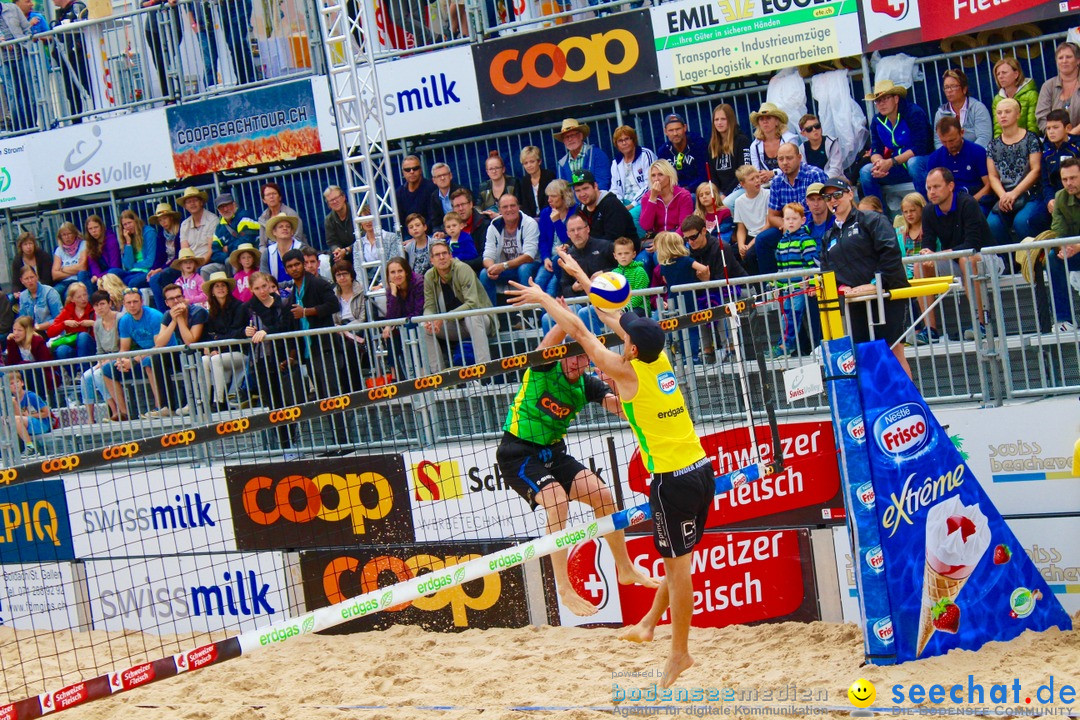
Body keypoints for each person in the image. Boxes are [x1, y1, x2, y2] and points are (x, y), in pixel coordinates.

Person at [507, 263, 713, 689]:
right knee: (679, 565)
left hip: (672, 481)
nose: (623, 336)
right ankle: (649, 624)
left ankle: (680, 653)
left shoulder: (625, 372)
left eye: (627, 340)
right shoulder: (660, 358)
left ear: (631, 349)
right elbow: (617, 315)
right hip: (701, 468)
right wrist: (587, 281)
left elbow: (582, 332)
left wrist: (545, 299)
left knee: (679, 572)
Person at [494, 324, 658, 616]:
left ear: (588, 360)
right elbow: (544, 347)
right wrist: (562, 321)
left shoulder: (588, 384)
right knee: (556, 501)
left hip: (554, 453)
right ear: (561, 357)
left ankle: (625, 568)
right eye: (570, 356)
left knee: (603, 495)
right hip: (517, 453)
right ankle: (564, 587)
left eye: (582, 357)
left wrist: (621, 382)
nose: (575, 362)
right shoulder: (544, 370)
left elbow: (622, 409)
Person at [819, 177, 912, 377]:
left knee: (894, 353)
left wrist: (874, 284)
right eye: (827, 197)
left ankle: (908, 404)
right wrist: (841, 289)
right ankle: (878, 405)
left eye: (837, 194)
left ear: (850, 194)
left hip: (886, 296)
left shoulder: (872, 219)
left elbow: (890, 252)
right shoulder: (829, 235)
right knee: (864, 357)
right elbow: (826, 270)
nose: (833, 200)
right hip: (856, 302)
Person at [281, 249, 349, 446]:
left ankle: (342, 441)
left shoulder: (318, 283)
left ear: (303, 263)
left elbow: (333, 305)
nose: (294, 269)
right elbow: (295, 325)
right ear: (286, 270)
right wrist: (293, 355)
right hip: (309, 352)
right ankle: (334, 441)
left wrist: (307, 312)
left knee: (333, 394)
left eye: (297, 264)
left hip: (325, 348)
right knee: (323, 398)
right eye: (290, 266)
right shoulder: (293, 292)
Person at [921, 167, 993, 340]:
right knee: (920, 264)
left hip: (988, 258)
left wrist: (942, 254)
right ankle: (930, 330)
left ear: (951, 186)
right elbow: (928, 243)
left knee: (967, 259)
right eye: (929, 188)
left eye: (937, 187)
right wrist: (926, 253)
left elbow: (973, 244)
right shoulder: (928, 211)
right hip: (955, 260)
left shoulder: (967, 203)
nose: (932, 192)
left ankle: (981, 324)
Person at [244, 272, 301, 451]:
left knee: (291, 400)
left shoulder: (282, 303)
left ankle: (294, 439)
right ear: (251, 289)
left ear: (270, 285)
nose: (261, 291)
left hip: (283, 357)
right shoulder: (248, 308)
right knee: (273, 404)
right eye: (257, 288)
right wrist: (244, 332)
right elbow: (236, 330)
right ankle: (285, 445)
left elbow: (288, 327)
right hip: (262, 360)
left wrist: (268, 332)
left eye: (264, 286)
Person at [756, 143, 829, 275]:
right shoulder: (777, 181)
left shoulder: (815, 175)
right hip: (788, 226)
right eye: (780, 159)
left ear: (799, 157)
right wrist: (787, 225)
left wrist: (799, 226)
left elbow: (828, 203)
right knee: (761, 241)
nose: (784, 163)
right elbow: (772, 216)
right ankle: (772, 287)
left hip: (813, 224)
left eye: (789, 158)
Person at [422, 240, 493, 371]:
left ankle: (485, 371)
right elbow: (429, 306)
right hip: (454, 326)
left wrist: (443, 318)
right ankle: (439, 376)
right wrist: (429, 319)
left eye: (445, 253)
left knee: (472, 317)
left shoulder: (462, 269)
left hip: (480, 321)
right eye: (437, 255)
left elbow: (472, 304)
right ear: (431, 260)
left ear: (451, 255)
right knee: (425, 328)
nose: (442, 257)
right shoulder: (429, 276)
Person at [861, 80, 933, 209]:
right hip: (896, 166)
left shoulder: (913, 113)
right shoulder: (877, 120)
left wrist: (891, 162)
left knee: (914, 163)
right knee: (866, 172)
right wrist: (879, 164)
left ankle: (929, 212)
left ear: (896, 98)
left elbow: (920, 147)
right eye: (877, 101)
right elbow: (876, 148)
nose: (881, 104)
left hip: (922, 163)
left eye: (885, 99)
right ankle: (879, 220)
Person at [987, 98, 1048, 247]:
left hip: (1030, 194)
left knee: (1022, 222)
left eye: (1007, 112)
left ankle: (1033, 262)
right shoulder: (993, 144)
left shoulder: (1030, 139)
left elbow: (1036, 170)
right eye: (999, 113)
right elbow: (993, 176)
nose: (1003, 115)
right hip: (1004, 195)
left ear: (1018, 114)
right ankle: (1010, 264)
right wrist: (1003, 196)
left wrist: (1014, 193)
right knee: (992, 223)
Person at [101, 289, 170, 420]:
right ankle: (124, 413)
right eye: (129, 303)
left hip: (165, 354)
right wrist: (121, 361)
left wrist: (133, 361)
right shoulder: (125, 320)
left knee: (149, 361)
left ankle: (160, 407)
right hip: (143, 356)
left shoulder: (154, 316)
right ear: (124, 304)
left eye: (135, 302)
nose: (132, 305)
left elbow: (158, 346)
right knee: (107, 369)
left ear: (142, 302)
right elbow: (124, 349)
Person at [771, 203, 820, 358]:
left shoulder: (806, 240)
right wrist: (776, 287)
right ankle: (786, 343)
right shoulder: (781, 242)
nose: (791, 222)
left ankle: (786, 345)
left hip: (800, 287)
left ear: (803, 220)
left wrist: (813, 284)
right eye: (787, 219)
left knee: (793, 315)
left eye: (794, 218)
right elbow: (780, 268)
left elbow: (814, 265)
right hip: (787, 288)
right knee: (786, 316)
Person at [154, 282, 207, 415]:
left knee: (188, 352)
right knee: (157, 357)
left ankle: (192, 402)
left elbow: (190, 340)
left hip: (202, 351)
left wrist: (180, 319)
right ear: (166, 303)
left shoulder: (197, 311)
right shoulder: (168, 315)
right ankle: (167, 406)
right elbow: (159, 343)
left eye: (179, 297)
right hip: (185, 353)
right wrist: (173, 321)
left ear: (184, 298)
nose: (176, 301)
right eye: (171, 299)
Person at [656, 230, 709, 359]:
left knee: (677, 327)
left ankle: (683, 357)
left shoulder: (664, 265)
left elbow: (665, 280)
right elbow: (703, 268)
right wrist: (701, 277)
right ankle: (694, 356)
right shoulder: (686, 260)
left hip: (672, 299)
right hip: (689, 298)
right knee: (691, 327)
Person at [201, 271, 247, 412]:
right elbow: (209, 334)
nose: (220, 288)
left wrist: (217, 341)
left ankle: (219, 401)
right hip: (223, 352)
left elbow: (237, 333)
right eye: (217, 286)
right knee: (204, 360)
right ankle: (205, 401)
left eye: (223, 285)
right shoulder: (211, 310)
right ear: (212, 291)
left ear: (228, 288)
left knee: (215, 360)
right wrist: (213, 345)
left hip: (240, 352)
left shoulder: (239, 306)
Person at [481, 194, 539, 305]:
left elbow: (529, 256)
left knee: (524, 269)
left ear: (518, 207)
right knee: (485, 274)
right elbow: (488, 255)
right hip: (507, 269)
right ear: (499, 210)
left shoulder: (529, 223)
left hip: (531, 265)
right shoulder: (494, 226)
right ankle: (492, 317)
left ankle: (528, 313)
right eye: (505, 207)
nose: (509, 209)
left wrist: (503, 266)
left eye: (512, 205)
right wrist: (491, 268)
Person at [1043, 157, 1080, 332]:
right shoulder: (1060, 197)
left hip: (1077, 248)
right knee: (1053, 258)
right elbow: (1058, 232)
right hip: (1074, 250)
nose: (1068, 183)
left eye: (1073, 178)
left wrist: (1076, 247)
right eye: (1065, 179)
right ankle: (1063, 319)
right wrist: (1062, 249)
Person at [927, 117, 992, 204]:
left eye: (952, 140)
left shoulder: (978, 152)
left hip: (976, 202)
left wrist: (970, 202)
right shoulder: (934, 158)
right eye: (944, 142)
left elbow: (989, 185)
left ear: (962, 133)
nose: (949, 145)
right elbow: (931, 190)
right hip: (947, 204)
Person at [572, 171, 639, 247]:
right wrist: (567, 245)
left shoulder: (612, 204)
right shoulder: (580, 209)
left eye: (585, 188)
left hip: (622, 252)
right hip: (594, 250)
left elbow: (613, 240)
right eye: (578, 190)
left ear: (595, 186)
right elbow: (575, 233)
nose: (582, 194)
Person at [81, 290, 119, 422]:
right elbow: (100, 350)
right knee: (86, 376)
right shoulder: (97, 324)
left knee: (98, 374)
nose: (99, 308)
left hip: (120, 356)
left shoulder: (119, 318)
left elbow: (121, 347)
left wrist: (105, 361)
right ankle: (90, 418)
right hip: (105, 358)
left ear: (110, 303)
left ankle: (115, 411)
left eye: (102, 304)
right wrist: (99, 362)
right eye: (96, 305)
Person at [610, 125, 656, 232]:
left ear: (633, 140)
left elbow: (650, 184)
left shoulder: (645, 155)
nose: (624, 143)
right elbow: (614, 189)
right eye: (620, 141)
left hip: (646, 199)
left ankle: (641, 244)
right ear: (616, 144)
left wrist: (632, 205)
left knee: (631, 217)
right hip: (624, 202)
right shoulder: (615, 163)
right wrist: (618, 205)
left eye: (627, 139)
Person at [932, 68, 993, 149]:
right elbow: (938, 141)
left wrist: (966, 154)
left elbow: (984, 138)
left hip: (975, 153)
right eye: (946, 87)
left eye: (953, 86)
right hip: (950, 156)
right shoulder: (940, 113)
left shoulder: (978, 108)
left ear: (964, 89)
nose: (949, 91)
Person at [51, 0, 91, 122]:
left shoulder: (77, 7)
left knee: (90, 86)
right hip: (66, 59)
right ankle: (76, 121)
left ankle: (102, 112)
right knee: (71, 93)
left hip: (79, 58)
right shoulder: (61, 12)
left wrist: (76, 47)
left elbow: (85, 27)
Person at [382, 256, 423, 374]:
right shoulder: (391, 289)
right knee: (390, 333)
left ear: (406, 271)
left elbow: (418, 311)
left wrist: (399, 324)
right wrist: (394, 294)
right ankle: (396, 376)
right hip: (404, 324)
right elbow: (391, 316)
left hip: (417, 322)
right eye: (393, 272)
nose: (397, 275)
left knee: (407, 328)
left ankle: (422, 372)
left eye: (400, 271)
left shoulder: (418, 283)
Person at [708, 103, 752, 211]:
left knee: (726, 204)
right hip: (722, 192)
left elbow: (743, 173)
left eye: (723, 119)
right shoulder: (712, 146)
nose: (719, 123)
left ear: (730, 120)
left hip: (742, 187)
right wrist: (716, 194)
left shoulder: (742, 141)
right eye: (716, 119)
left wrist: (726, 195)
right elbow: (713, 176)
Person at [1, 0, 37, 132]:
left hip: (22, 55)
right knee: (13, 95)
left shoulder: (12, 8)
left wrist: (26, 41)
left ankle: (32, 125)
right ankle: (19, 129)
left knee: (30, 92)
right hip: (4, 61)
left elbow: (27, 28)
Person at [535, 179, 575, 296]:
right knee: (538, 282)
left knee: (552, 288)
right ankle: (536, 314)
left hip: (565, 258)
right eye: (548, 196)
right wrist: (546, 258)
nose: (549, 200)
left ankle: (550, 314)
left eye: (553, 196)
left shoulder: (574, 212)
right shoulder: (545, 213)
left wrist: (557, 221)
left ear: (565, 196)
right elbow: (542, 240)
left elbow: (568, 239)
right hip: (549, 258)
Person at [5, 316, 56, 402]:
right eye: (14, 330)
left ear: (27, 331)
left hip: (42, 376)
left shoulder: (37, 341)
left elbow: (45, 365)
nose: (16, 333)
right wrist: (10, 343)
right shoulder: (13, 341)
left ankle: (41, 402)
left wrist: (24, 364)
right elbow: (12, 364)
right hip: (22, 376)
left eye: (19, 330)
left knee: (27, 370)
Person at [748, 103, 799, 189]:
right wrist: (760, 177)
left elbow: (796, 166)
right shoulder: (754, 146)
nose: (765, 122)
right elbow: (756, 171)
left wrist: (773, 173)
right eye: (761, 119)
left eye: (768, 118)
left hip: (790, 182)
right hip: (766, 186)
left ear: (777, 121)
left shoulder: (789, 140)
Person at [639, 160, 694, 237]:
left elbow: (684, 226)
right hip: (657, 238)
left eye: (660, 174)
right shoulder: (647, 197)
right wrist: (653, 198)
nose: (656, 179)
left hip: (679, 238)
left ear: (669, 176)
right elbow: (646, 226)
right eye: (653, 175)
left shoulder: (683, 195)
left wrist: (667, 241)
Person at [46, 281, 95, 364]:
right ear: (72, 299)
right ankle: (75, 375)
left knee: (83, 336)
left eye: (85, 295)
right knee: (62, 350)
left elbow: (105, 325)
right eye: (79, 297)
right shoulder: (67, 311)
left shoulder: (93, 309)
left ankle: (82, 370)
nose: (83, 299)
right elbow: (50, 332)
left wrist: (93, 323)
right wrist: (64, 323)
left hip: (91, 346)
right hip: (73, 346)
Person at [177, 187, 221, 280]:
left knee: (200, 271)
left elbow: (211, 250)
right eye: (189, 202)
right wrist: (188, 267)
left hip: (207, 261)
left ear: (201, 202)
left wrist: (194, 267)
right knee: (167, 274)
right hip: (190, 263)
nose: (192, 203)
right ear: (185, 206)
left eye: (195, 200)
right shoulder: (184, 224)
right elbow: (184, 252)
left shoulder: (213, 220)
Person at [656, 113, 709, 191]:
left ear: (685, 128)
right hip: (674, 192)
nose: (675, 133)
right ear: (665, 131)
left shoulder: (697, 144)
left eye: (678, 129)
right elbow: (663, 179)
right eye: (671, 130)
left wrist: (686, 190)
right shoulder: (663, 151)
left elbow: (704, 175)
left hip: (698, 190)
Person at [141, 0, 182, 99]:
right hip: (153, 29)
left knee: (169, 59)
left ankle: (177, 91)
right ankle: (168, 95)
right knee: (159, 62)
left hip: (172, 25)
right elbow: (142, 4)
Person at [733, 165, 769, 276]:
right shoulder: (739, 201)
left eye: (757, 177)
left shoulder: (768, 195)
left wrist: (749, 246)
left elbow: (769, 223)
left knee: (750, 254)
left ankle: (761, 286)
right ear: (742, 184)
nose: (757, 181)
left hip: (764, 233)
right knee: (731, 252)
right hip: (750, 235)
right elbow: (741, 227)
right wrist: (741, 246)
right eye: (752, 179)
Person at [1041, 109, 1080, 214]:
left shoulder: (1077, 148)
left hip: (1075, 196)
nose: (1051, 132)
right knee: (1032, 219)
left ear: (1068, 128)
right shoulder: (1046, 152)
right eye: (1048, 128)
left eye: (1055, 127)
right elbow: (1046, 182)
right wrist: (1050, 199)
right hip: (1054, 197)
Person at [555, 118, 611, 190]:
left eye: (572, 135)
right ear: (563, 141)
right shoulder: (561, 164)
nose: (570, 139)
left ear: (581, 136)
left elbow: (603, 183)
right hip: (572, 201)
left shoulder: (597, 155)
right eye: (566, 137)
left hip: (597, 200)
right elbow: (561, 190)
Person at [1036, 42, 1080, 132]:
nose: (1064, 61)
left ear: (1078, 60)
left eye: (1068, 57)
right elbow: (1041, 117)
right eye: (1060, 58)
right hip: (1055, 142)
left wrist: (1073, 133)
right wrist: (1054, 134)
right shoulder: (1048, 86)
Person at [992, 56, 1039, 138]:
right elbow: (998, 129)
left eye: (1004, 72)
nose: (1000, 76)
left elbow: (1033, 126)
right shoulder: (997, 100)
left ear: (1016, 74)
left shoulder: (1031, 95)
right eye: (998, 74)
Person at [147, 202, 182, 308]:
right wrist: (152, 270)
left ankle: (163, 313)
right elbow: (158, 257)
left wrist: (161, 269)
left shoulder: (180, 231)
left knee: (155, 279)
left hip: (177, 265)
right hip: (164, 267)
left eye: (165, 218)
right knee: (136, 281)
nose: (163, 222)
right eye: (160, 220)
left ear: (171, 218)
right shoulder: (161, 235)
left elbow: (178, 256)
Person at [211, 193, 260, 271]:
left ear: (234, 204)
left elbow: (246, 240)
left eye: (227, 205)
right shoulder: (219, 228)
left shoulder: (244, 216)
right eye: (221, 207)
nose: (225, 209)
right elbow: (214, 253)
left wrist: (228, 248)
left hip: (250, 254)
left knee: (230, 261)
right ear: (218, 211)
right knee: (206, 269)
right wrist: (228, 255)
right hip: (228, 258)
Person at [8, 371, 51, 457]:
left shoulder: (31, 396)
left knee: (15, 419)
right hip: (27, 424)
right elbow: (18, 417)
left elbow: (47, 413)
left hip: (42, 424)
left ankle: (30, 448)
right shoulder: (11, 400)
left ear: (22, 383)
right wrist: (15, 404)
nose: (15, 385)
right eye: (12, 383)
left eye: (17, 382)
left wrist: (30, 416)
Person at [261, 213, 304, 293]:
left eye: (288, 226)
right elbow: (264, 279)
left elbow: (306, 275)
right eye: (281, 226)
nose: (285, 228)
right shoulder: (267, 253)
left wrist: (279, 286)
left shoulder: (302, 249)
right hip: (275, 293)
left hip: (301, 289)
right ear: (274, 232)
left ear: (292, 232)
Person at [257, 182, 306, 248]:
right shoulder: (263, 218)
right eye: (268, 195)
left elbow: (297, 237)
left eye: (274, 194)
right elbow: (262, 244)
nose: (271, 197)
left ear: (280, 197)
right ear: (264, 200)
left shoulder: (290, 214)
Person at [611, 236, 650, 316]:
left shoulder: (640, 271)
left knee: (626, 316)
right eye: (620, 254)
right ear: (615, 256)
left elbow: (638, 296)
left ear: (634, 254)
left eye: (626, 253)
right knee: (585, 312)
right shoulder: (613, 274)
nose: (623, 256)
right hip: (617, 309)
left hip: (640, 308)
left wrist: (624, 308)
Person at [16, 266, 62, 334]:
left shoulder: (50, 292)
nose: (30, 281)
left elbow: (59, 319)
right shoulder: (23, 296)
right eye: (26, 279)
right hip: (32, 334)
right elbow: (22, 320)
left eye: (32, 277)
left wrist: (38, 327)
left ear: (36, 277)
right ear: (22, 281)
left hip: (51, 332)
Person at [80, 215, 122, 288]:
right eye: (90, 229)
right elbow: (93, 264)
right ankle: (89, 298)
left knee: (113, 272)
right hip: (99, 275)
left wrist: (99, 277)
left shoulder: (111, 240)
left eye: (96, 227)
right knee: (82, 274)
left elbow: (115, 265)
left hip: (112, 272)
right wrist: (96, 276)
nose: (93, 231)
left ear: (101, 227)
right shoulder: (90, 243)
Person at [220, 0, 256, 85]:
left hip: (240, 4)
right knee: (233, 44)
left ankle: (249, 78)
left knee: (236, 42)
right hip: (224, 5)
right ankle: (243, 79)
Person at [477, 152, 521, 220]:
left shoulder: (513, 183)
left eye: (497, 168)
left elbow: (519, 205)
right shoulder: (483, 187)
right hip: (490, 221)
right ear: (487, 172)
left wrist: (499, 215)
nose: (494, 171)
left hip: (512, 218)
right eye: (491, 169)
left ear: (503, 169)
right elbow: (478, 207)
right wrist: (484, 213)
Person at [396, 155, 437, 227]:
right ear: (403, 172)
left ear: (420, 170)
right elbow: (400, 220)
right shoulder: (399, 193)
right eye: (407, 170)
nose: (411, 172)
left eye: (415, 168)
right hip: (409, 234)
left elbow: (434, 217)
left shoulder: (431, 188)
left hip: (430, 232)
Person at [118, 210, 156, 288]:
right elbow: (128, 265)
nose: (128, 226)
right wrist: (128, 243)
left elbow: (150, 261)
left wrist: (133, 266)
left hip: (147, 271)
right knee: (113, 274)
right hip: (134, 271)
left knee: (131, 283)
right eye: (125, 224)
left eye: (129, 222)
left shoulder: (148, 233)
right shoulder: (128, 237)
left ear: (136, 221)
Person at [798, 114, 844, 179]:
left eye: (817, 126)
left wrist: (822, 180)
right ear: (803, 133)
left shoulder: (832, 143)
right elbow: (804, 171)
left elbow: (835, 169)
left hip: (833, 181)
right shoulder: (802, 148)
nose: (814, 130)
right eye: (809, 129)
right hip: (813, 183)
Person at [449, 188, 490, 258]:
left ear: (471, 204)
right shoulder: (449, 228)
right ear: (453, 209)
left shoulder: (483, 224)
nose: (461, 208)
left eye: (463, 204)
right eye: (457, 206)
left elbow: (484, 256)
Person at [518, 146, 556, 219]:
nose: (529, 165)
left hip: (549, 215)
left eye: (532, 162)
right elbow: (525, 205)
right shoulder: (524, 181)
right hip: (531, 219)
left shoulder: (549, 176)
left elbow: (549, 201)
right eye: (525, 163)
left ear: (539, 161)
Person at [50, 222, 86, 299]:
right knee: (52, 294)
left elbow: (82, 267)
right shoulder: (59, 250)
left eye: (69, 234)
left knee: (68, 295)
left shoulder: (83, 244)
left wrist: (63, 269)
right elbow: (55, 275)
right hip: (64, 282)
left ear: (75, 233)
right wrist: (74, 271)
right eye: (64, 235)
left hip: (78, 281)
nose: (67, 237)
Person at [428, 163, 463, 231]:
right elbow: (435, 222)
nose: (442, 178)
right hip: (445, 231)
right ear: (434, 180)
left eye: (445, 175)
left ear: (450, 176)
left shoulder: (460, 192)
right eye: (438, 176)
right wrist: (438, 232)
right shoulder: (434, 196)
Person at [323, 185, 354, 260]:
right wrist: (336, 250)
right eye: (331, 200)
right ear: (328, 205)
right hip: (342, 253)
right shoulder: (328, 220)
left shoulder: (357, 212)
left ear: (344, 197)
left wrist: (347, 249)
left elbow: (364, 237)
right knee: (333, 258)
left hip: (360, 249)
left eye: (336, 198)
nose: (335, 202)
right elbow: (332, 242)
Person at [403, 212, 435, 280]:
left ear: (425, 227)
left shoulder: (435, 243)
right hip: (417, 283)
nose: (415, 228)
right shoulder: (408, 248)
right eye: (411, 227)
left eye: (417, 225)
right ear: (408, 231)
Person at [805, 183, 833, 249]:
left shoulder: (837, 222)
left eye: (820, 199)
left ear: (827, 199)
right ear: (807, 201)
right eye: (812, 199)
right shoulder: (802, 223)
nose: (816, 204)